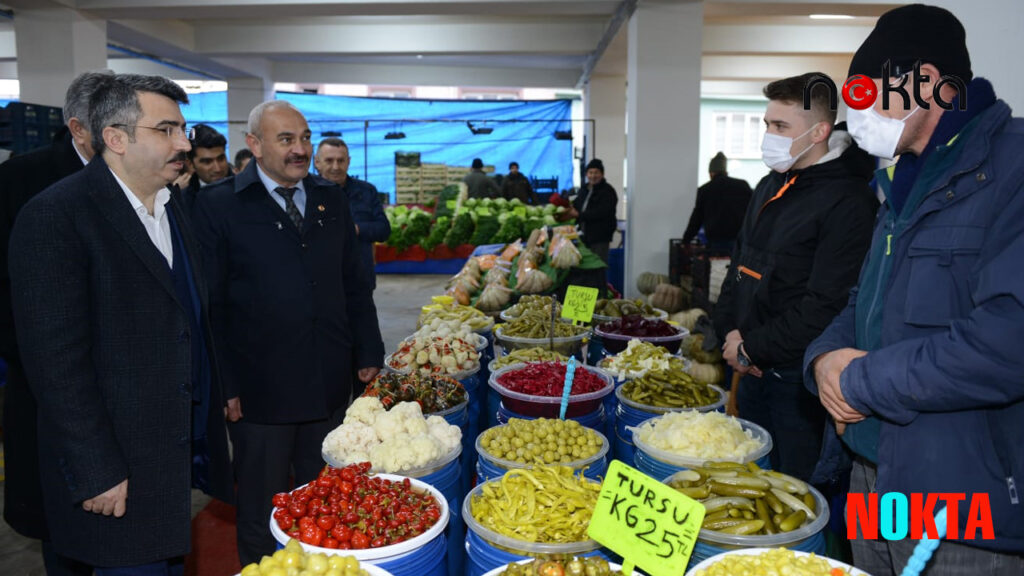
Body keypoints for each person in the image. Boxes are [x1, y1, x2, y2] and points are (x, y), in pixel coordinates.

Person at [804, 5, 1024, 573]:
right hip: (873, 481)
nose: (856, 114)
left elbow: (1006, 343)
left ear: (926, 81)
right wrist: (824, 358)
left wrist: (858, 379)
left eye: (865, 92)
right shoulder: (902, 179)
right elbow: (865, 300)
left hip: (962, 504)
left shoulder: (1011, 169)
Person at [7, 73, 233, 574]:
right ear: (115, 138)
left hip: (170, 458)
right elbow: (55, 363)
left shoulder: (173, 208)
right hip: (115, 469)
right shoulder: (57, 216)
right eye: (167, 130)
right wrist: (95, 470)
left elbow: (193, 318)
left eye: (183, 129)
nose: (184, 143)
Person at [193, 100, 385, 566]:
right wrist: (226, 384)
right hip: (261, 391)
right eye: (286, 140)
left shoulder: (330, 198)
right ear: (254, 145)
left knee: (323, 493)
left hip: (327, 377)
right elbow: (210, 306)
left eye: (304, 138)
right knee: (262, 503)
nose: (300, 150)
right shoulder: (219, 204)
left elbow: (353, 283)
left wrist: (368, 348)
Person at [712, 72, 877, 483]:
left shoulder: (849, 201)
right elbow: (739, 265)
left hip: (797, 385)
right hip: (749, 369)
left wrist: (753, 348)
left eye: (781, 126)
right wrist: (729, 333)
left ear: (820, 131)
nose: (768, 134)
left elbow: (827, 303)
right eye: (767, 124)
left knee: (793, 489)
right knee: (749, 481)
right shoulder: (770, 184)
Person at [0, 69, 112, 576]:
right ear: (80, 128)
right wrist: (45, 358)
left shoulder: (142, 182)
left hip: (125, 389)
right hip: (50, 387)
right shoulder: (19, 181)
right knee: (63, 524)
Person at [313, 137, 391, 289]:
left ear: (348, 161)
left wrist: (355, 229)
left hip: (360, 281)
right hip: (321, 282)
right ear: (317, 162)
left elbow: (383, 230)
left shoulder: (366, 191)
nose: (336, 166)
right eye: (329, 160)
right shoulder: (306, 194)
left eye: (341, 160)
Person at [681, 151, 753, 255]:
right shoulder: (742, 185)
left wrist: (686, 240)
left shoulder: (705, 189)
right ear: (725, 171)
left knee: (718, 269)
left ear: (711, 173)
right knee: (738, 269)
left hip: (716, 240)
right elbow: (753, 211)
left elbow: (696, 218)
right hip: (740, 239)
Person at [564, 158, 618, 263]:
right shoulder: (584, 189)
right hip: (583, 235)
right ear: (586, 174)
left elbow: (602, 212)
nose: (593, 176)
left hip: (600, 236)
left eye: (596, 173)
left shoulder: (608, 191)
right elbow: (577, 205)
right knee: (586, 265)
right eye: (590, 172)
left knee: (598, 264)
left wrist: (579, 215)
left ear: (602, 174)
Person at [178, 124, 230, 213]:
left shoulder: (246, 193)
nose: (217, 168)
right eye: (207, 162)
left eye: (221, 159)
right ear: (190, 164)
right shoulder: (183, 201)